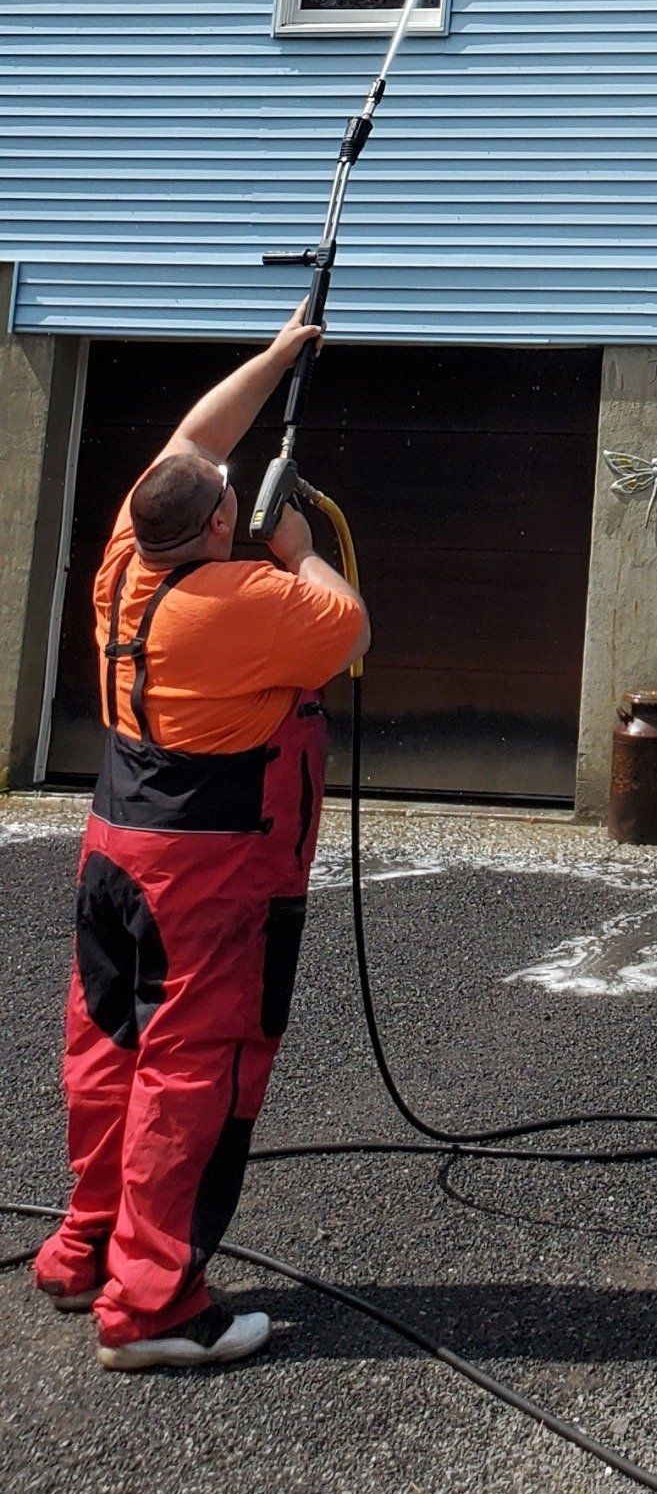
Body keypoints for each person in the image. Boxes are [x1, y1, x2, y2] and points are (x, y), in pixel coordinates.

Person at [33, 308, 370, 1368]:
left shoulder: (131, 559)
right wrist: (305, 550)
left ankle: (86, 1245)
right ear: (221, 531)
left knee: (109, 1048)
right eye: (230, 504)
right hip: (210, 872)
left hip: (116, 848)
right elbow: (348, 624)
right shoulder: (241, 601)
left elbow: (195, 442)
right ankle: (154, 1305)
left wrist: (279, 353)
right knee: (196, 1072)